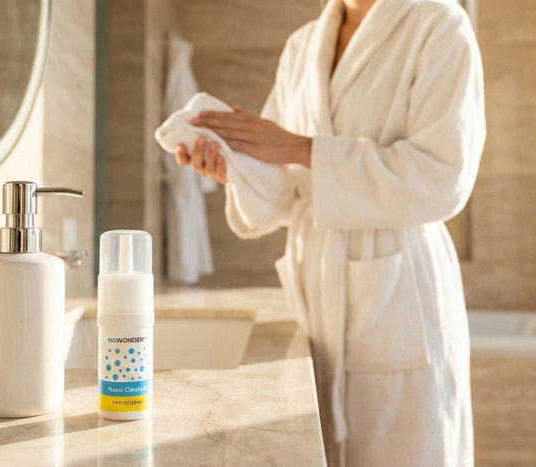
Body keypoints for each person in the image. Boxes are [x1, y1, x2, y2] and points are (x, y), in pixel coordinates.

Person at [173, 0, 485, 465]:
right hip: (319, 294)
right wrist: (236, 167)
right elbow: (288, 190)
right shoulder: (302, 45)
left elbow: (443, 178)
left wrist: (302, 148)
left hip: (399, 295)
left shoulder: (438, 23)